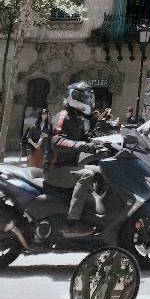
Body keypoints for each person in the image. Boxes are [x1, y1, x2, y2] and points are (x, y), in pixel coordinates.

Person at [42, 82, 101, 238]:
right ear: (74, 98)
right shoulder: (62, 117)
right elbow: (57, 141)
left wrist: (101, 143)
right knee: (86, 174)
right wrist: (81, 145)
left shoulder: (78, 119)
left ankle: (95, 211)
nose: (88, 101)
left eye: (88, 97)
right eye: (84, 97)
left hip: (68, 167)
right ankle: (72, 222)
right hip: (55, 170)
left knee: (101, 170)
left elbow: (86, 139)